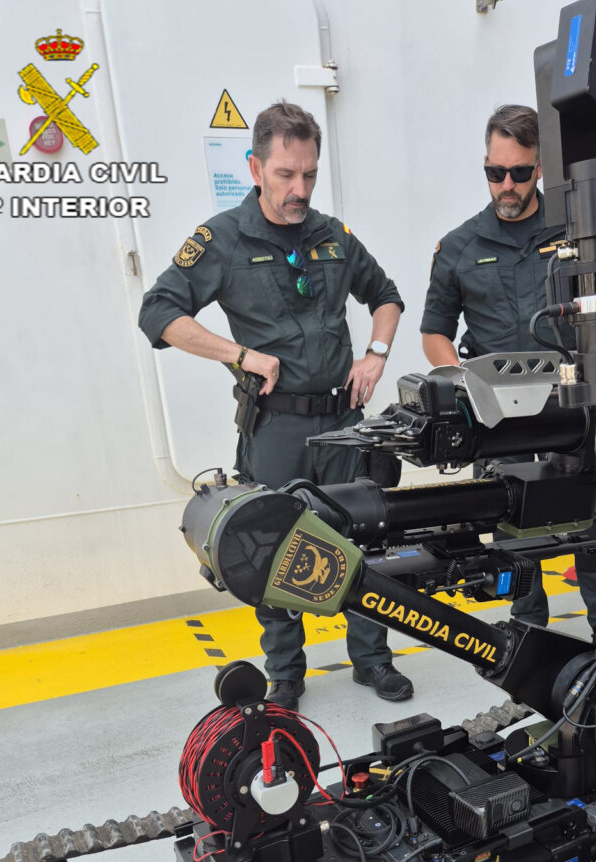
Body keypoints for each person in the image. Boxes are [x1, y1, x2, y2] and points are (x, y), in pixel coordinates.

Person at [139, 101, 413, 710]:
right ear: (255, 167)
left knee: (363, 539)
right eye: (286, 174)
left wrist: (375, 354)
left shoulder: (333, 235)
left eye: (309, 174)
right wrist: (237, 354)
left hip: (344, 424)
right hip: (276, 427)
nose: (300, 189)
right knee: (272, 547)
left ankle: (372, 660)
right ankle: (285, 672)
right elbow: (158, 313)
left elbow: (386, 296)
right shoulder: (222, 239)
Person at [420, 103, 596, 631]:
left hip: (571, 404)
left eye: (520, 173)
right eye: (495, 172)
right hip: (497, 411)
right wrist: (461, 384)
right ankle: (528, 634)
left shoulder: (575, 231)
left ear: (539, 168)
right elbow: (434, 332)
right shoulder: (458, 246)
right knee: (510, 525)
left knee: (591, 523)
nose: (507, 185)